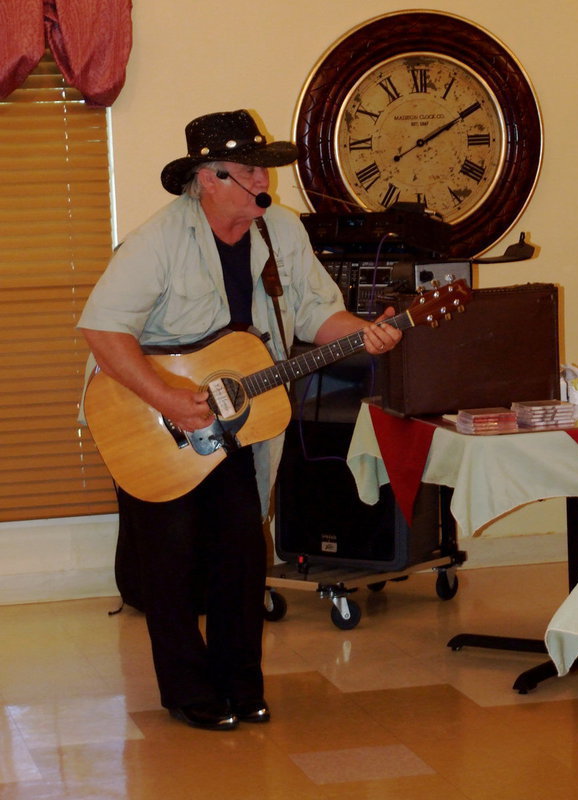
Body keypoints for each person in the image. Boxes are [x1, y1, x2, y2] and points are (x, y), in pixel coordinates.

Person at [78, 109, 402, 731]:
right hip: (148, 417)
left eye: (266, 169)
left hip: (235, 418)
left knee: (240, 554)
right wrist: (169, 396)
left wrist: (366, 333)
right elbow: (102, 329)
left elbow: (314, 313)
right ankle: (188, 692)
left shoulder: (280, 231)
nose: (265, 183)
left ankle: (240, 685)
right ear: (208, 177)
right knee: (169, 564)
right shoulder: (158, 241)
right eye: (252, 170)